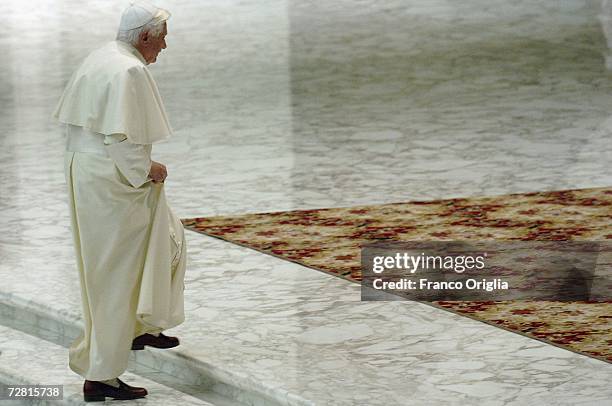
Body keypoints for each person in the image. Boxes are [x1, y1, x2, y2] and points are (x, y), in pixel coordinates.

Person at [53, 1, 186, 401]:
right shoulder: (129, 69)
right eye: (161, 39)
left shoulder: (104, 55)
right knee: (114, 276)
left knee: (169, 240)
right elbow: (121, 137)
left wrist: (141, 167)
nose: (165, 46)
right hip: (112, 182)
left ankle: (141, 326)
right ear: (145, 36)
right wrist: (148, 168)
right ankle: (102, 376)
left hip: (92, 172)